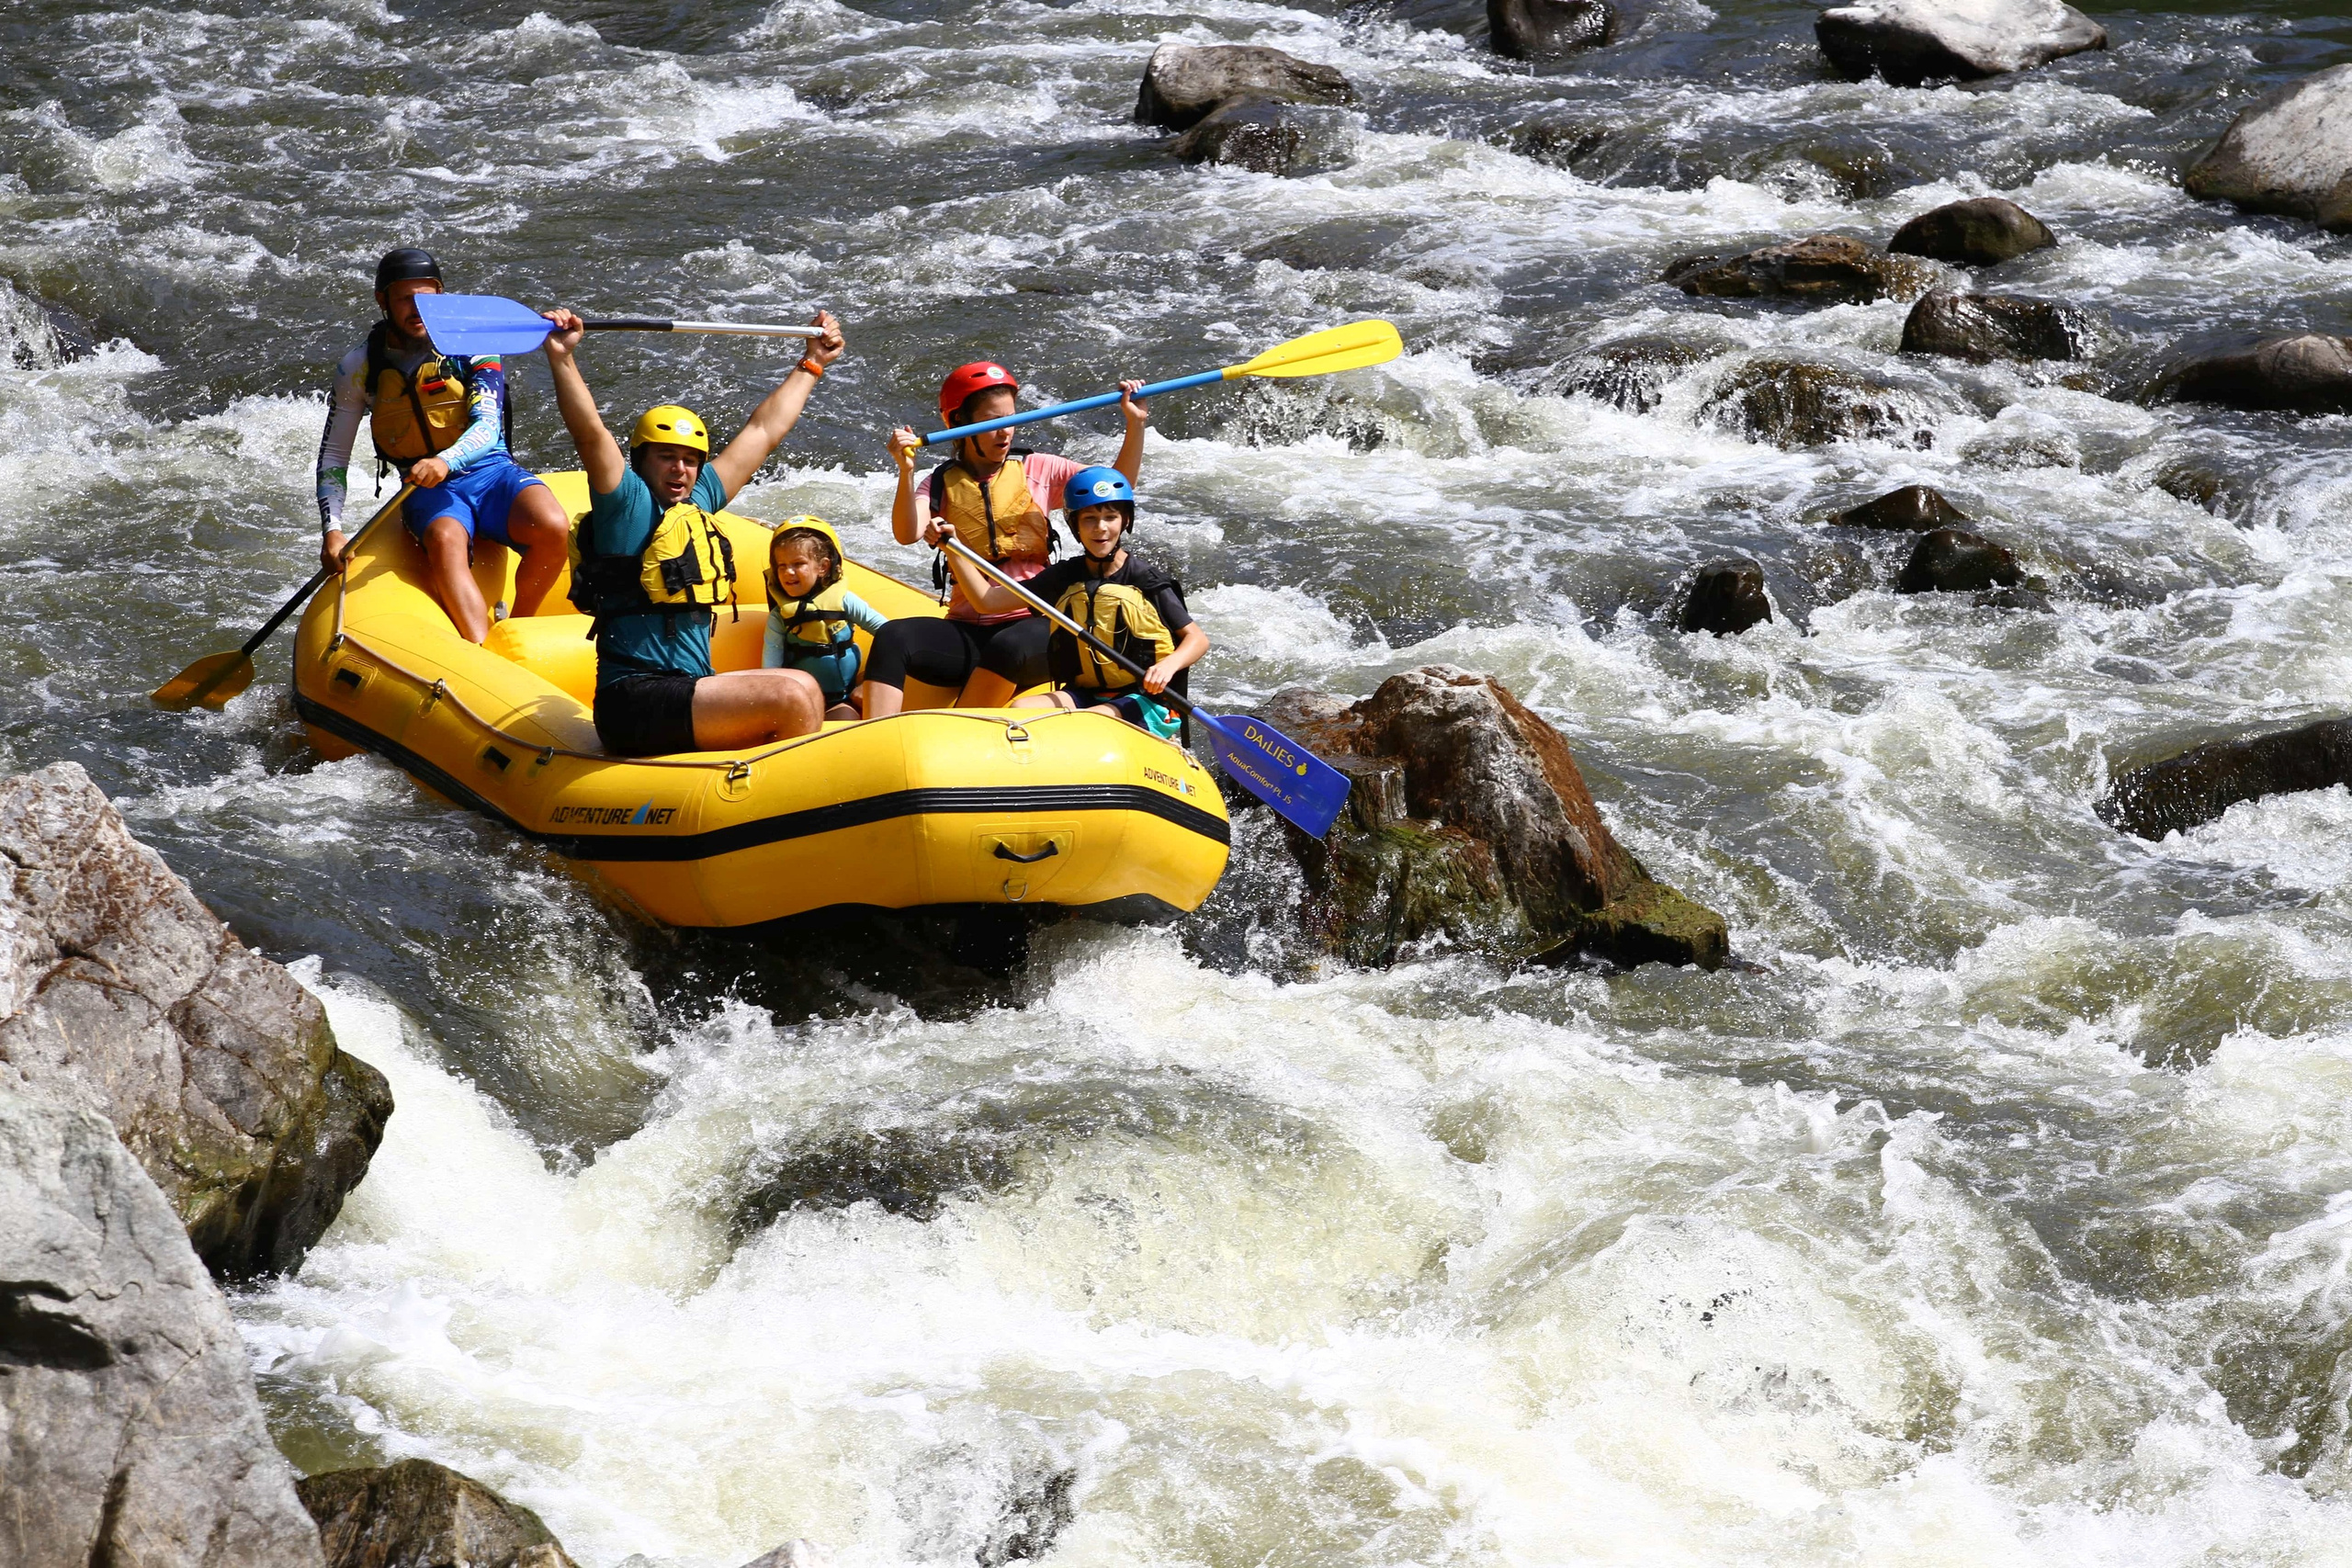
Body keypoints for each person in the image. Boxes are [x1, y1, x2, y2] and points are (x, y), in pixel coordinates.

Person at [538, 305, 847, 755]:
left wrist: (813, 363)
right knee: (790, 695)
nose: (680, 469)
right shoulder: (625, 505)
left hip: (687, 690)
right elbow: (590, 434)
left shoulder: (696, 502)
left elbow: (763, 432)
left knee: (804, 684)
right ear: (641, 461)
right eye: (666, 457)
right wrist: (562, 358)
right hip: (633, 702)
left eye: (689, 460)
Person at [314, 247, 572, 642]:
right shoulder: (359, 367)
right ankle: (479, 649)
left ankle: (518, 626)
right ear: (383, 300)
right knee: (445, 540)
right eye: (406, 299)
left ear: (441, 296)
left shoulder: (473, 345)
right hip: (425, 486)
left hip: (490, 469)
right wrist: (332, 530)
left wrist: (446, 461)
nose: (418, 309)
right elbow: (335, 455)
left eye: (427, 298)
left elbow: (488, 426)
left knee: (553, 525)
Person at [863, 363, 1146, 716]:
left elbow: (1114, 488)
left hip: (1038, 625)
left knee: (1009, 643)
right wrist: (905, 472)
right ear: (961, 423)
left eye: (1011, 419)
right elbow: (907, 533)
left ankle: (960, 732)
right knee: (892, 636)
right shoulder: (937, 484)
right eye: (993, 422)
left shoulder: (1038, 468)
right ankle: (877, 734)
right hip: (969, 629)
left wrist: (1135, 424)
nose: (1005, 431)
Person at [939, 467, 1206, 737]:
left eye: (1110, 517)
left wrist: (1167, 666)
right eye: (1089, 519)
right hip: (1087, 693)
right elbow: (987, 601)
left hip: (1145, 698)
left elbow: (1196, 639)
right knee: (1020, 709)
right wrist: (952, 548)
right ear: (1074, 524)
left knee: (1090, 720)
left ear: (1125, 520)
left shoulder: (1145, 579)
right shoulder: (1065, 576)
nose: (1101, 528)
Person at [762, 518, 888, 723]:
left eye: (798, 564)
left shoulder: (845, 601)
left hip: (839, 701)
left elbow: (890, 634)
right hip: (800, 703)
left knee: (846, 722)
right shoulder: (779, 616)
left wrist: (870, 681)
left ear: (823, 567)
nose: (788, 572)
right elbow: (771, 671)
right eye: (782, 565)